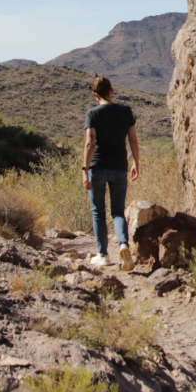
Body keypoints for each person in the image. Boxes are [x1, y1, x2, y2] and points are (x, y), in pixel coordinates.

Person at [82, 75, 139, 270]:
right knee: (118, 212)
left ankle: (103, 255)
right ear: (112, 91)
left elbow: (90, 143)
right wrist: (136, 163)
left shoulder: (92, 113)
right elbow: (133, 140)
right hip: (119, 166)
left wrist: (85, 169)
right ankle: (123, 244)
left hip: (97, 167)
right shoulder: (126, 111)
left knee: (98, 211)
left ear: (94, 94)